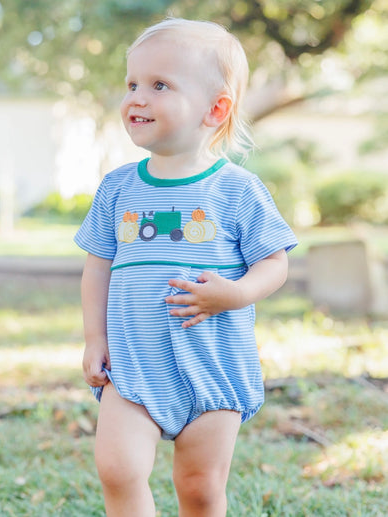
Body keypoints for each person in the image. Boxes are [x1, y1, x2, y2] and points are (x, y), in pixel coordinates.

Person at [74, 17, 297, 517]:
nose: (137, 97)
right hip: (132, 367)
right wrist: (95, 337)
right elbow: (97, 268)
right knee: (118, 469)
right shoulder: (117, 188)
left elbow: (274, 263)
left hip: (213, 367)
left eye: (159, 86)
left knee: (198, 488)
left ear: (215, 109)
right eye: (132, 84)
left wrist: (235, 294)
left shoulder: (237, 190)